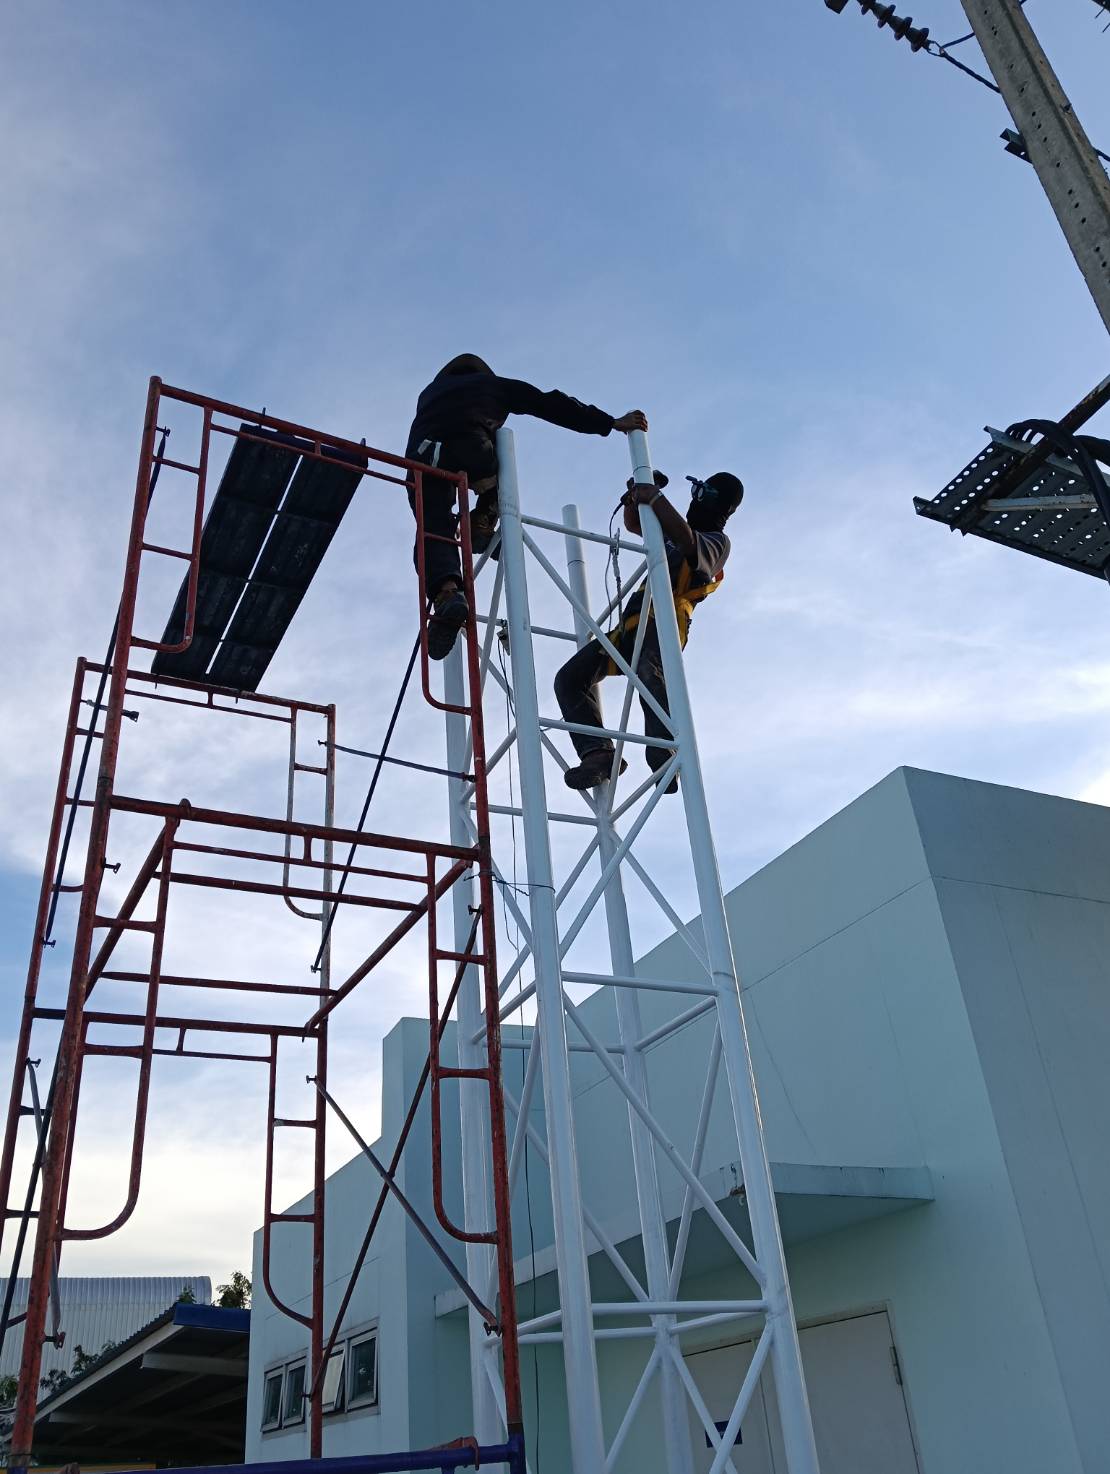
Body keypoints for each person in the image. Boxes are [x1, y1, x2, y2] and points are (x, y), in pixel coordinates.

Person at [405, 354, 647, 659]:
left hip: (422, 459)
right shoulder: (492, 386)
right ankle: (483, 519)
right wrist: (609, 422)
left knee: (432, 526)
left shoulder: (428, 394)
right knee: (496, 459)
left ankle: (447, 593)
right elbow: (550, 403)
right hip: (471, 450)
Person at [554, 469, 744, 793]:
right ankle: (598, 754)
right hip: (631, 626)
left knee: (648, 670)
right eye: (695, 492)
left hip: (663, 624)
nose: (694, 500)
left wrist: (654, 497)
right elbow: (635, 524)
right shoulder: (672, 532)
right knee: (570, 679)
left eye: (702, 494)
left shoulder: (716, 542)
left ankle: (664, 750)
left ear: (721, 506)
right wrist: (635, 497)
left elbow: (689, 544)